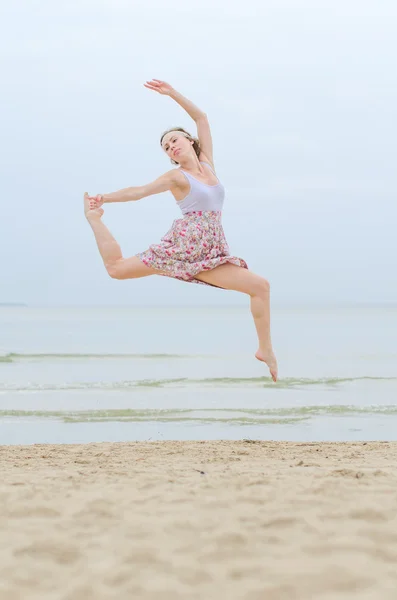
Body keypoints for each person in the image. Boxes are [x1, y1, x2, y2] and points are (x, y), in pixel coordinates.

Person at [84, 79, 278, 382]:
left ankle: (265, 350)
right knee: (117, 270)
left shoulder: (208, 165)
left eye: (175, 139)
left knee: (260, 286)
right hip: (182, 247)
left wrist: (171, 93)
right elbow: (139, 191)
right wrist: (105, 198)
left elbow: (201, 118)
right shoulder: (176, 177)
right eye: (166, 146)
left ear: (190, 141)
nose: (171, 146)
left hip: (210, 251)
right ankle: (95, 220)